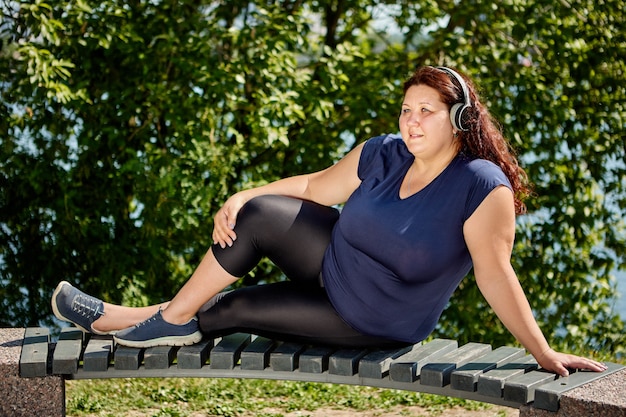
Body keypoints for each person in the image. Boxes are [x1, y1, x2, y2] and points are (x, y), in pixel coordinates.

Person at [52, 66, 607, 377]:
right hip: (336, 262)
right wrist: (245, 192)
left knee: (231, 309)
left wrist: (542, 351)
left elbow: (495, 274)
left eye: (427, 111)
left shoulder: (482, 185)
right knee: (262, 213)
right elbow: (317, 188)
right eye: (407, 108)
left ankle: (115, 319)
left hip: (376, 315)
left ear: (459, 121)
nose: (412, 121)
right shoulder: (385, 152)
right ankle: (160, 318)